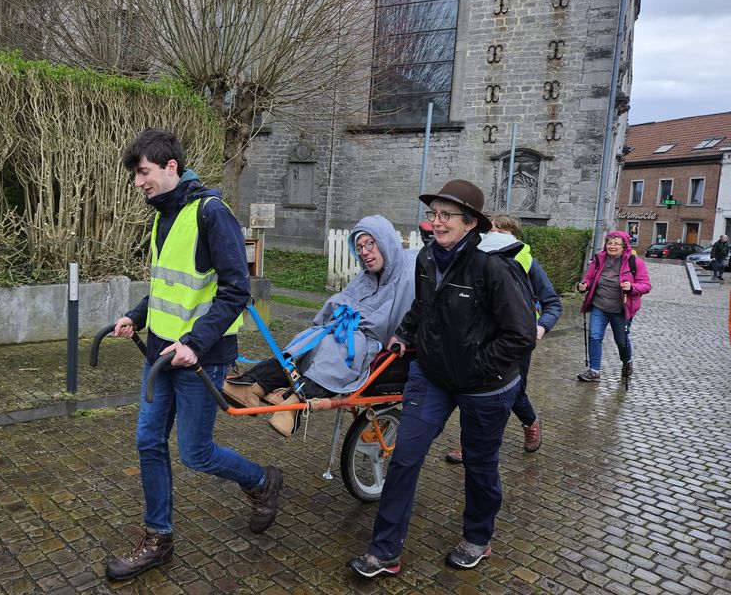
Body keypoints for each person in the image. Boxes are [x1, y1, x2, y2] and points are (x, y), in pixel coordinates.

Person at [105, 129, 282, 582]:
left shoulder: (211, 213)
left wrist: (196, 343)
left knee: (196, 453)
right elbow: (167, 285)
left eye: (143, 172)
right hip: (161, 355)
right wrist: (136, 316)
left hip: (200, 357)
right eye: (135, 174)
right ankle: (157, 538)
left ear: (171, 167)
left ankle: (261, 480)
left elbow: (236, 288)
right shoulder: (163, 217)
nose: (137, 182)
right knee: (148, 441)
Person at [347, 180, 537, 578]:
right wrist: (404, 334)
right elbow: (423, 306)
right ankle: (384, 551)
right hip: (432, 377)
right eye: (433, 214)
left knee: (480, 466)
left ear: (470, 223)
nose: (436, 222)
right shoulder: (428, 258)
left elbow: (520, 334)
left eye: (445, 215)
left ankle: (478, 538)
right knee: (404, 457)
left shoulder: (492, 266)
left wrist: (478, 363)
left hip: (486, 386)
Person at [222, 215, 417, 436]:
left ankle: (293, 406)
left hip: (369, 340)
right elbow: (341, 300)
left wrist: (405, 335)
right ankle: (253, 385)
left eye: (370, 244)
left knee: (334, 352)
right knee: (307, 342)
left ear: (385, 242)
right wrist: (321, 327)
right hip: (344, 329)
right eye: (359, 246)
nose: (364, 251)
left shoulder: (410, 275)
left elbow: (423, 309)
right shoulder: (366, 277)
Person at [445, 214, 561, 461]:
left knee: (515, 392)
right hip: (479, 337)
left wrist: (541, 327)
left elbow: (552, 303)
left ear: (514, 238)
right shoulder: (475, 259)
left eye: (503, 232)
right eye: (492, 231)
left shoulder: (528, 262)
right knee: (474, 391)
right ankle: (471, 444)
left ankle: (531, 423)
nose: (495, 236)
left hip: (515, 340)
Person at [577, 231, 651, 382]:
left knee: (621, 341)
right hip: (599, 306)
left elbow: (646, 285)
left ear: (624, 247)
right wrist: (584, 285)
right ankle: (594, 371)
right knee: (594, 337)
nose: (612, 246)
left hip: (621, 309)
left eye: (616, 243)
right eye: (609, 243)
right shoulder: (599, 259)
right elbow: (589, 278)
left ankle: (627, 362)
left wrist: (631, 287)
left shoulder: (634, 262)